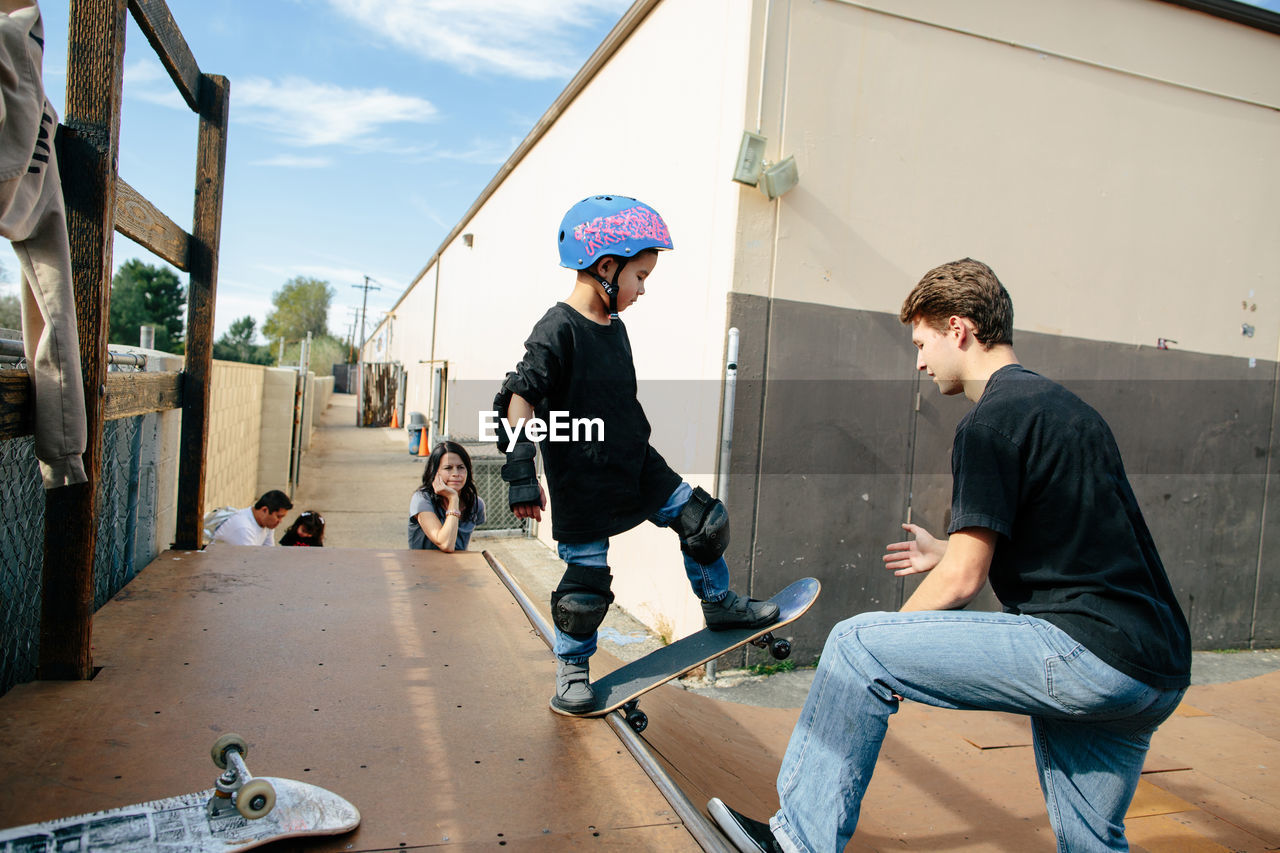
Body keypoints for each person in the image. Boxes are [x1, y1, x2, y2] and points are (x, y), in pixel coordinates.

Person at [709, 258, 1191, 853]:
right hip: (1154, 668)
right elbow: (1075, 536)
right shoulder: (1069, 410)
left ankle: (796, 841)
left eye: (921, 342)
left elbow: (965, 581)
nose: (918, 361)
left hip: (1083, 653)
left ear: (958, 328)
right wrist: (948, 551)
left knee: (858, 646)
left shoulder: (988, 423)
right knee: (1093, 841)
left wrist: (894, 642)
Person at [494, 194, 779, 715]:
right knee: (585, 590)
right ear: (607, 266)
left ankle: (719, 605)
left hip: (635, 462)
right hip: (581, 477)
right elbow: (518, 399)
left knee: (704, 522)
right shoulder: (557, 329)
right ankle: (573, 668)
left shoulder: (615, 326)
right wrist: (520, 473)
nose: (643, 289)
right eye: (640, 276)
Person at [409, 441, 486, 552]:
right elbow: (446, 544)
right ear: (435, 472)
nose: (456, 473)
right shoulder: (421, 500)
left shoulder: (476, 503)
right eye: (448, 468)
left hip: (456, 567)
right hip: (422, 567)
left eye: (461, 467)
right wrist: (453, 499)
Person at [210, 489, 293, 546]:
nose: (280, 521)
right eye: (278, 516)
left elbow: (268, 553)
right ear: (264, 510)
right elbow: (248, 564)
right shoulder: (244, 529)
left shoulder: (268, 524)